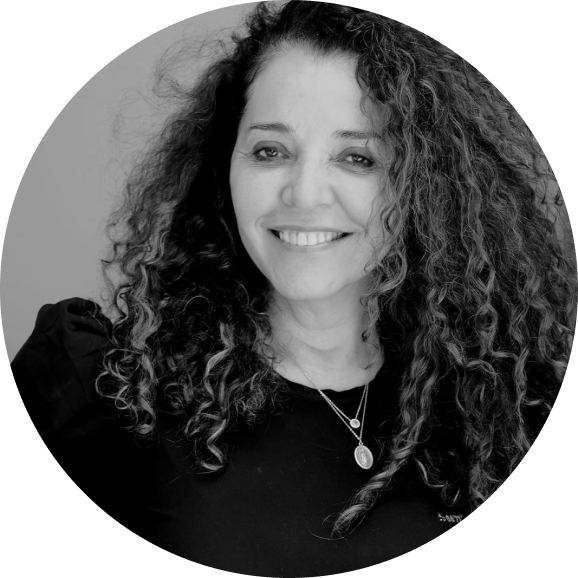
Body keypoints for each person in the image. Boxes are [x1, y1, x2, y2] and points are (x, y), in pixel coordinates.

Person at [11, 0, 576, 572]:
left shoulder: (499, 410)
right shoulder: (107, 390)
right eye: (270, 151)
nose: (304, 194)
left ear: (425, 187)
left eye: (357, 157)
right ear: (225, 168)